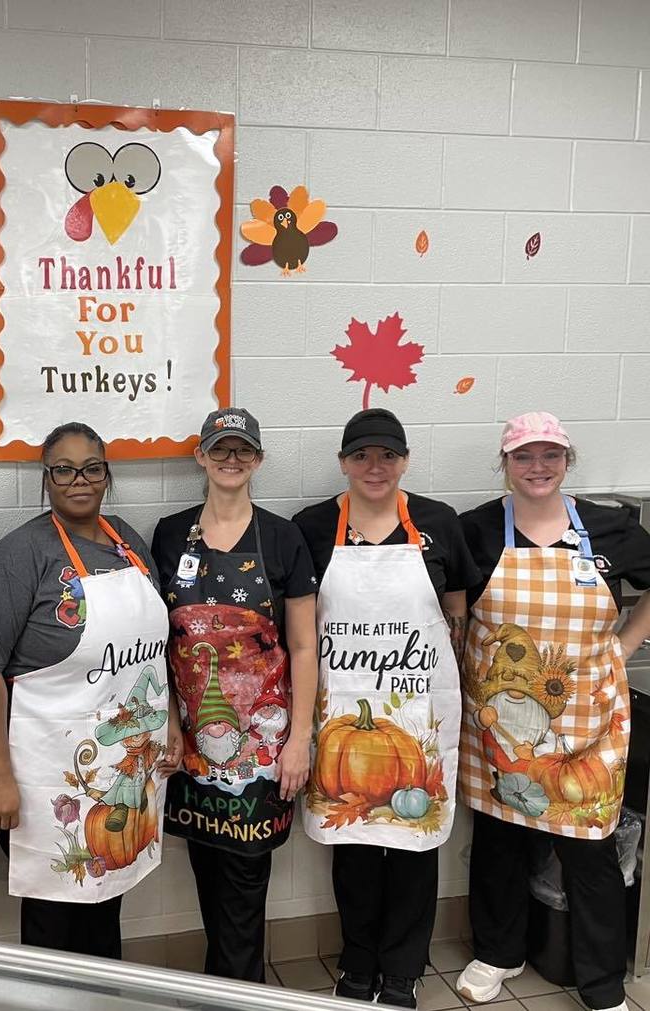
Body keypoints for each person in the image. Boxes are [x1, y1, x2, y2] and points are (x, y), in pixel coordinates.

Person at [0, 422, 177, 959]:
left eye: (92, 468)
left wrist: (167, 719)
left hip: (125, 770)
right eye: (63, 469)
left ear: (106, 475)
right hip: (47, 778)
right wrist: (1, 777)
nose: (79, 480)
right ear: (46, 477)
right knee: (57, 920)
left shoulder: (128, 539)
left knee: (108, 896)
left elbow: (152, 649)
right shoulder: (20, 556)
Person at [455, 412, 650, 1011]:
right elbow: (453, 608)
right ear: (505, 464)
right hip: (502, 725)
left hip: (589, 724)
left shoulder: (612, 530)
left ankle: (601, 985)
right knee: (499, 840)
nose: (537, 468)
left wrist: (621, 648)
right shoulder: (477, 530)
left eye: (550, 456)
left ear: (568, 461)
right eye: (523, 457)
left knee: (590, 849)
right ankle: (498, 953)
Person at [293, 408, 477, 1009]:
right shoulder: (313, 527)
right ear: (343, 462)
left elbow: (456, 611)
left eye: (388, 455)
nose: (376, 467)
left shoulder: (438, 522)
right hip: (342, 715)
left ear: (405, 460)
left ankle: (403, 966)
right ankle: (358, 959)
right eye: (362, 455)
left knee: (415, 847)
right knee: (355, 845)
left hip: (419, 716)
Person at [151, 408, 319, 984]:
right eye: (220, 449)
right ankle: (218, 988)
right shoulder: (171, 534)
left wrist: (299, 740)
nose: (231, 460)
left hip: (265, 752)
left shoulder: (281, 536)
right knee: (205, 869)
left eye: (242, 451)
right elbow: (160, 640)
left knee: (247, 880)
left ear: (258, 460)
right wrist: (171, 724)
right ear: (200, 456)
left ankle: (239, 993)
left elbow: (303, 647)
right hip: (194, 745)